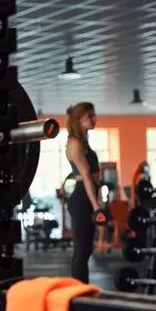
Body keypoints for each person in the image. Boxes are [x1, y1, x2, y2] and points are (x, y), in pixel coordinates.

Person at [64, 102, 100, 284]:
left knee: (86, 250)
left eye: (94, 115)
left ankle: (81, 288)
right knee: (82, 250)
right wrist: (96, 206)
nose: (94, 119)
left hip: (86, 196)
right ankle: (79, 290)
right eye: (89, 116)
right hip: (82, 199)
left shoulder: (82, 141)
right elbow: (86, 176)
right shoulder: (75, 143)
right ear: (79, 120)